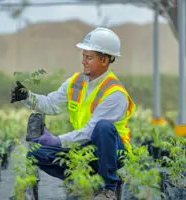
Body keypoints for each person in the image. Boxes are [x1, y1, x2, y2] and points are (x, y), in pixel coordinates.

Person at [11, 27, 136, 200]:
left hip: (112, 153)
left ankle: (109, 188)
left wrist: (58, 141)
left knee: (103, 127)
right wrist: (27, 96)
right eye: (83, 56)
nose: (84, 61)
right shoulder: (76, 82)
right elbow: (52, 104)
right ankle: (84, 181)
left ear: (104, 60)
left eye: (89, 57)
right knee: (36, 155)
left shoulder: (115, 93)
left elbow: (92, 129)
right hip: (85, 148)